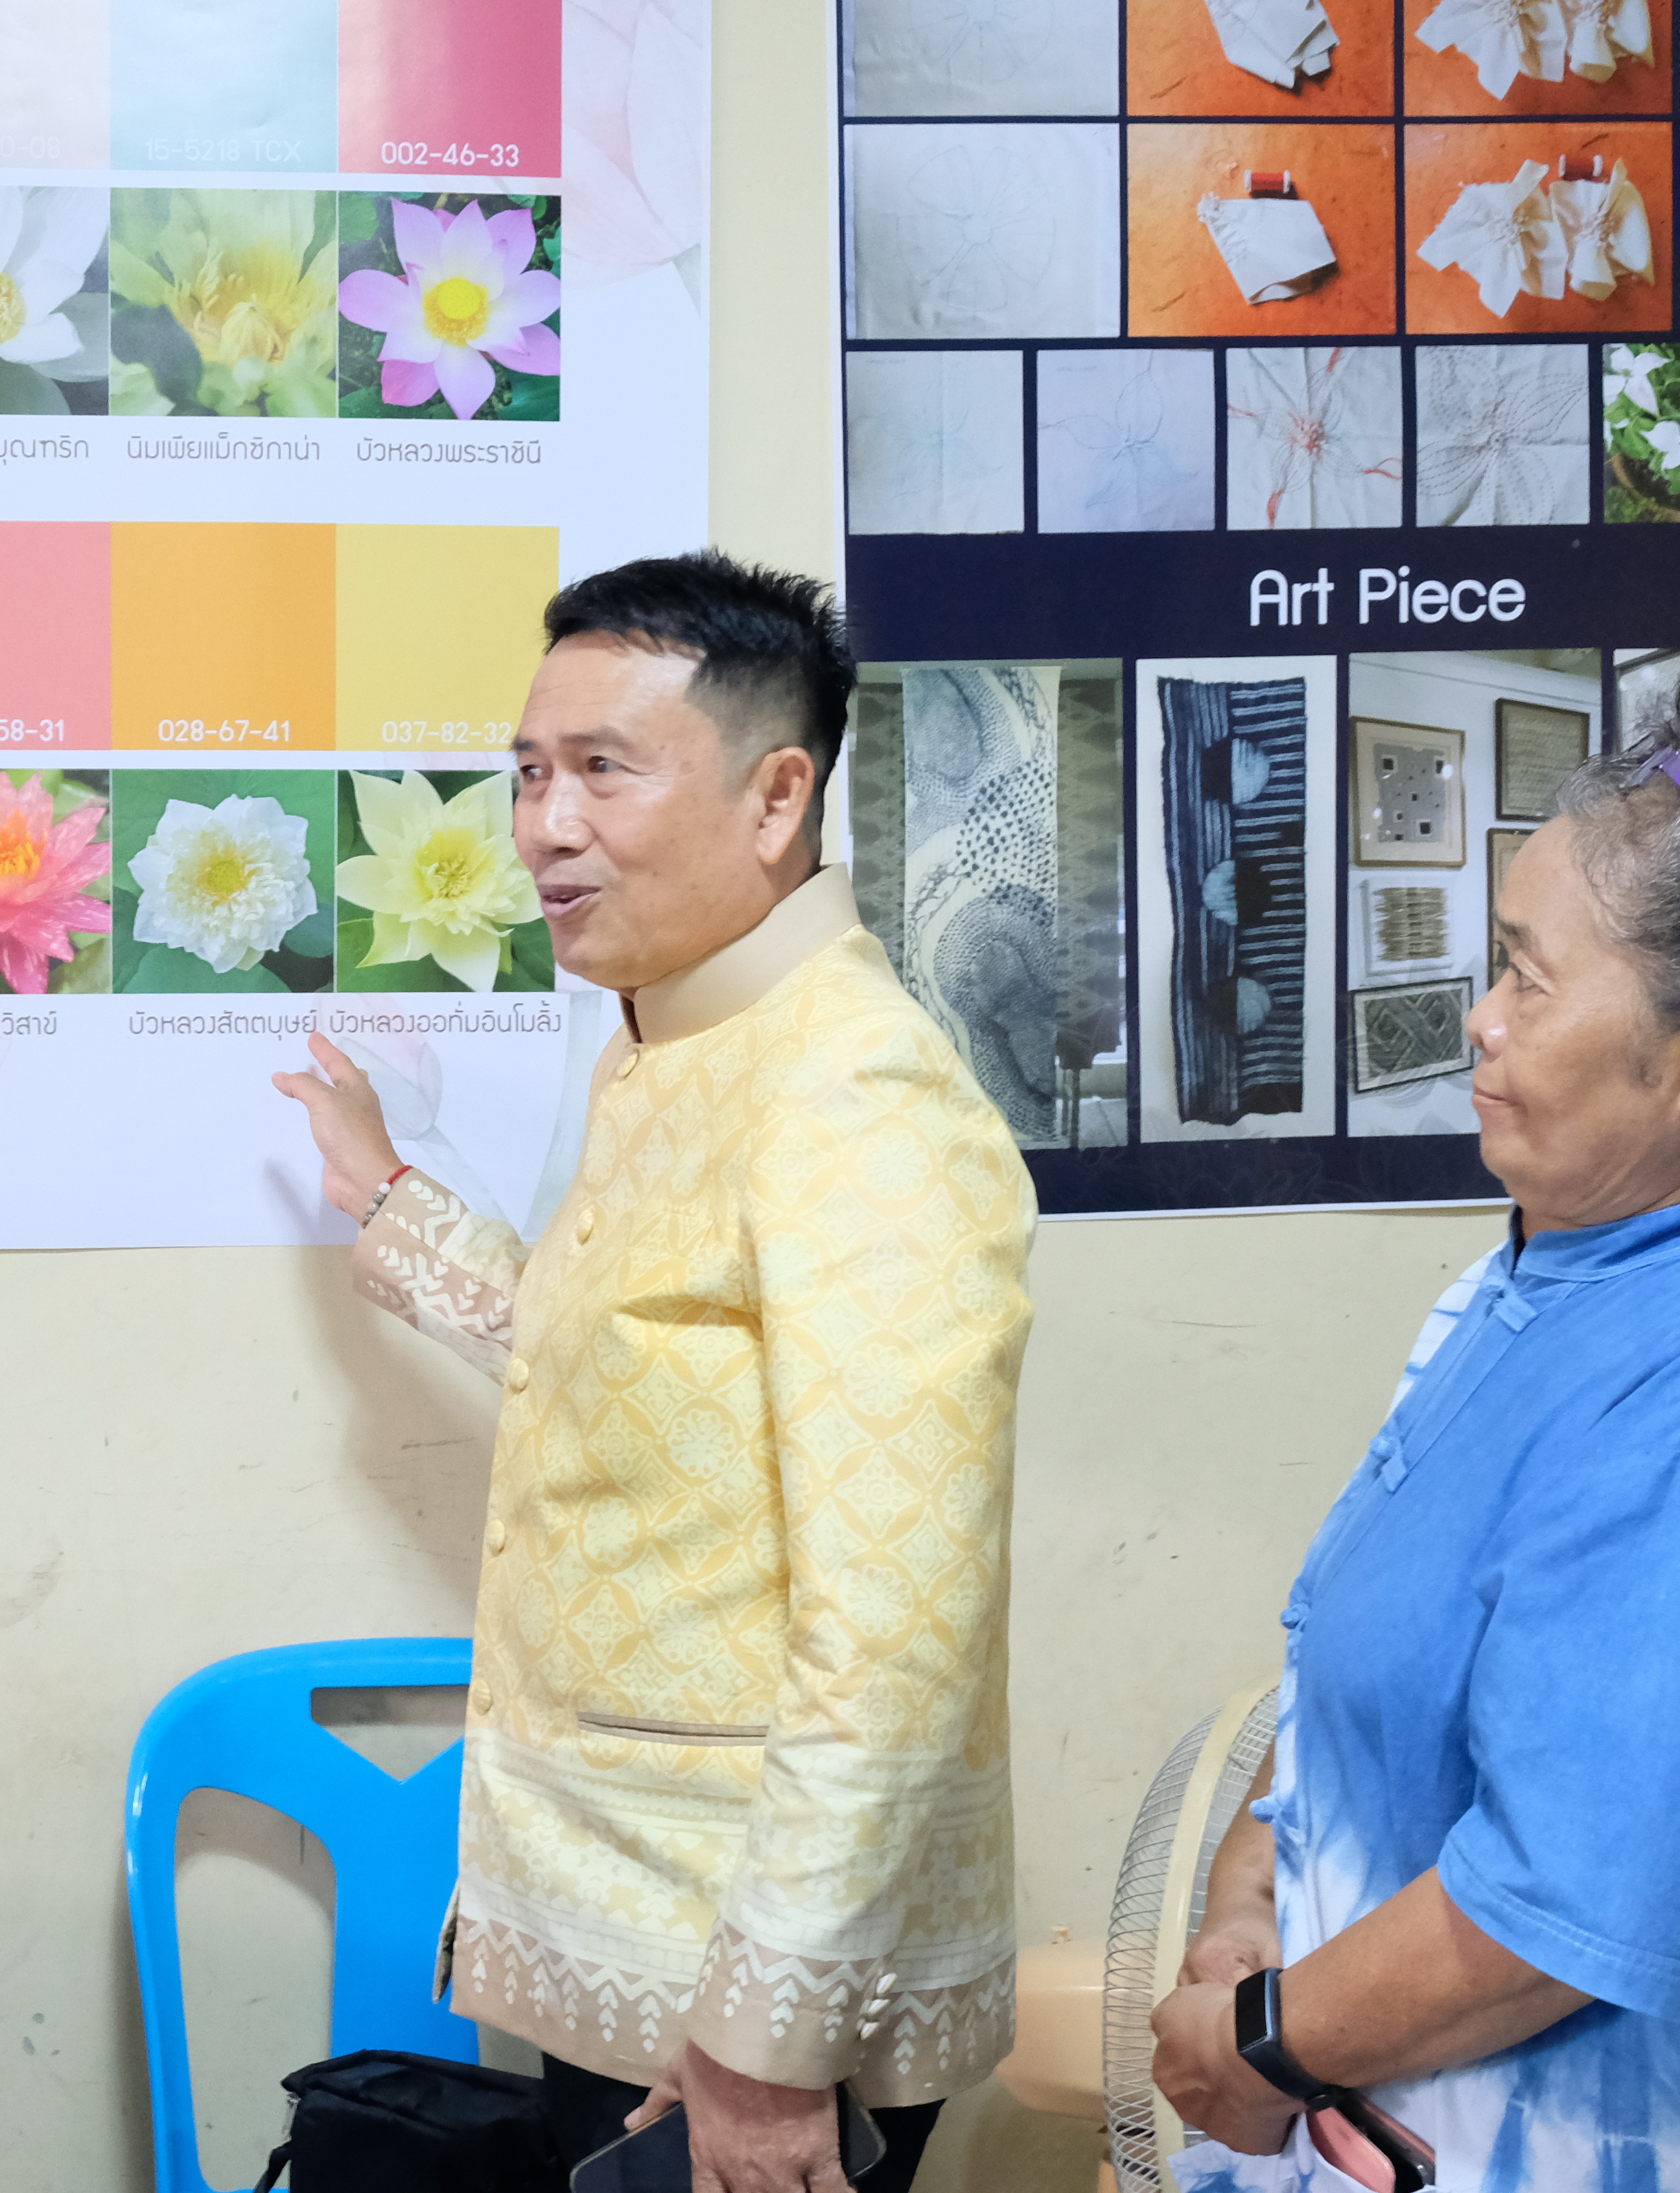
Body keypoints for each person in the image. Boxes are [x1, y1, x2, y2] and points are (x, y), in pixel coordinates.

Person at [275, 552, 1035, 2193]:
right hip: (634, 1949)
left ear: (777, 798)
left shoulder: (858, 1099)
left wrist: (764, 2043)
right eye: (531, 772)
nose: (544, 826)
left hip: (746, 1992)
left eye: (603, 770)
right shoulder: (680, 1035)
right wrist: (391, 1203)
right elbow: (622, 1355)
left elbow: (899, 1629)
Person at [1152, 652, 1680, 2192]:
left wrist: (1257, 2038)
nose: (1480, 1017)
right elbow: (1368, 1684)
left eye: (1527, 972)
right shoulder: (1553, 1265)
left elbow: (1566, 1898)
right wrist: (1255, 1889)